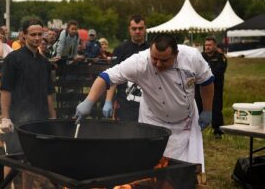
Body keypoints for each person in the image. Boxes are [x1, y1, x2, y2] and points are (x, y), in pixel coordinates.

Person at [75, 33, 214, 172]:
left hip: (186, 122)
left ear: (176, 54)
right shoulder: (139, 62)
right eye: (155, 59)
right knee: (151, 167)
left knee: (186, 170)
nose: (158, 64)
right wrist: (89, 101)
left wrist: (207, 110)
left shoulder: (192, 57)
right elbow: (106, 77)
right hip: (153, 121)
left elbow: (206, 82)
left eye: (164, 60)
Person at [0, 19, 56, 154]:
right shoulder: (12, 59)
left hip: (40, 119)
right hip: (18, 120)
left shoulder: (45, 63)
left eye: (40, 34)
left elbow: (49, 92)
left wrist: (53, 117)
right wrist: (5, 117)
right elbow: (6, 89)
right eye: (33, 34)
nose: (37, 38)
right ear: (24, 35)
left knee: (38, 158)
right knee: (14, 157)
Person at [102, 15, 150, 121]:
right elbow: (112, 77)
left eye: (140, 28)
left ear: (145, 28)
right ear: (129, 29)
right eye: (134, 28)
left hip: (148, 103)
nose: (137, 31)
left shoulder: (152, 49)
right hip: (125, 103)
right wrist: (108, 100)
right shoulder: (120, 49)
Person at [195, 36, 227, 139]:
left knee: (216, 109)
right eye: (206, 45)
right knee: (198, 107)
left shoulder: (220, 57)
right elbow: (195, 69)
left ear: (215, 46)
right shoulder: (200, 56)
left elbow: (218, 71)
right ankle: (196, 129)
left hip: (216, 87)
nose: (207, 47)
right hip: (200, 87)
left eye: (210, 45)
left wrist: (204, 73)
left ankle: (218, 130)